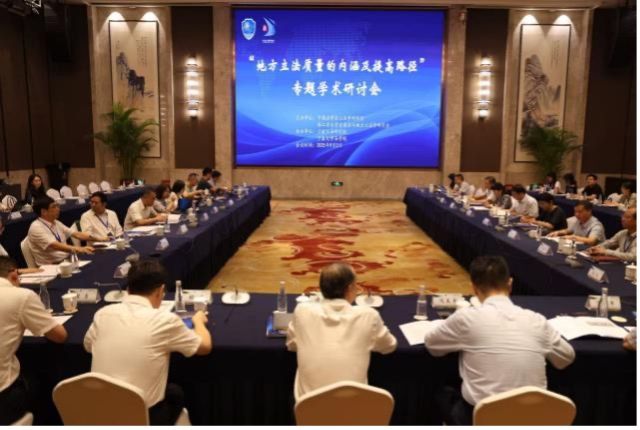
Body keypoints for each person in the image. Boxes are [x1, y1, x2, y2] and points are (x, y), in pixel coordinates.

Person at [424, 256, 575, 426]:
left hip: (480, 419)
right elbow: (566, 358)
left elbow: (432, 345)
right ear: (510, 284)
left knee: (442, 394)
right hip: (534, 420)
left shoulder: (466, 318)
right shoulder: (537, 320)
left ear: (474, 288)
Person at [83, 259, 212, 425]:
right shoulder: (164, 319)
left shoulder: (103, 314)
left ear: (128, 289)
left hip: (97, 413)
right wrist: (199, 321)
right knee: (175, 392)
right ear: (161, 291)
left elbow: (88, 346)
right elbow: (204, 347)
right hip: (142, 417)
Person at [286, 262, 397, 400]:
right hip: (355, 408)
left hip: (308, 408)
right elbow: (390, 346)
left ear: (321, 288)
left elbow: (291, 345)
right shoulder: (369, 315)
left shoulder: (302, 311)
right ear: (350, 288)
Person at [0, 256, 67, 425]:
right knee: (42, 378)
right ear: (14, 275)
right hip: (4, 397)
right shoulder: (21, 296)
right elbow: (60, 336)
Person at [27, 197, 99, 266]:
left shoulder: (56, 222)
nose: (58, 209)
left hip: (66, 260)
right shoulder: (36, 227)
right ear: (43, 212)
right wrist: (79, 249)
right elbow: (54, 245)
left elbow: (77, 234)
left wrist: (99, 239)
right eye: (54, 207)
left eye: (57, 206)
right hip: (52, 266)